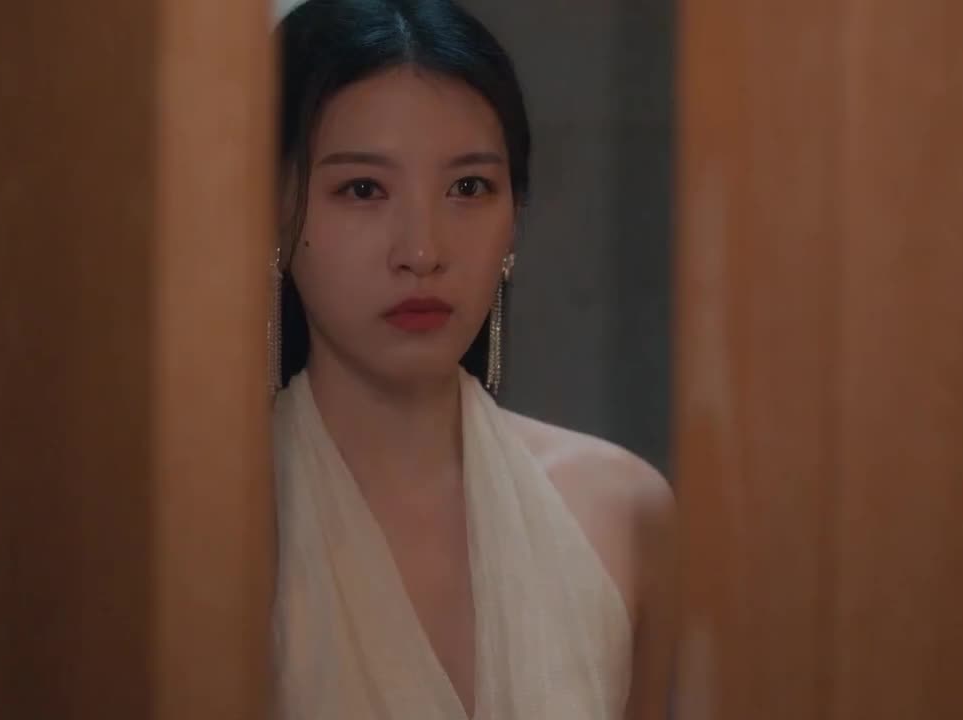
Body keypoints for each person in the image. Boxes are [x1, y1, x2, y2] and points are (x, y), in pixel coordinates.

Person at [269, 1, 675, 717]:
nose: (422, 250)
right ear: (270, 210)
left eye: (469, 188)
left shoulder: (620, 511)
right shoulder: (204, 530)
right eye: (362, 189)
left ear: (514, 220)